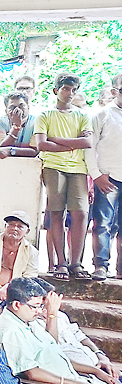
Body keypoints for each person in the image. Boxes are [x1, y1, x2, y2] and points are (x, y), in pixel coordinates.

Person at [34, 73, 94, 280]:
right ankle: (61, 262)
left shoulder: (82, 115)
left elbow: (87, 143)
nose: (70, 93)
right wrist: (72, 143)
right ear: (56, 90)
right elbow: (42, 145)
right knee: (56, 212)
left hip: (78, 168)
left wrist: (56, 139)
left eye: (74, 90)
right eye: (66, 89)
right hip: (53, 166)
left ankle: (76, 263)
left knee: (81, 214)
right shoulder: (45, 115)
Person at [86, 74, 122, 279]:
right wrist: (96, 175)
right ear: (114, 91)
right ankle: (101, 265)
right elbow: (89, 147)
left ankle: (121, 269)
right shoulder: (102, 115)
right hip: (107, 178)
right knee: (102, 224)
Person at [0, 91, 39, 159]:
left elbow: (35, 151)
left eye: (21, 106)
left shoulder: (37, 121)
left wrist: (10, 151)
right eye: (12, 107)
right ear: (6, 111)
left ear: (28, 107)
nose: (17, 110)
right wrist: (16, 127)